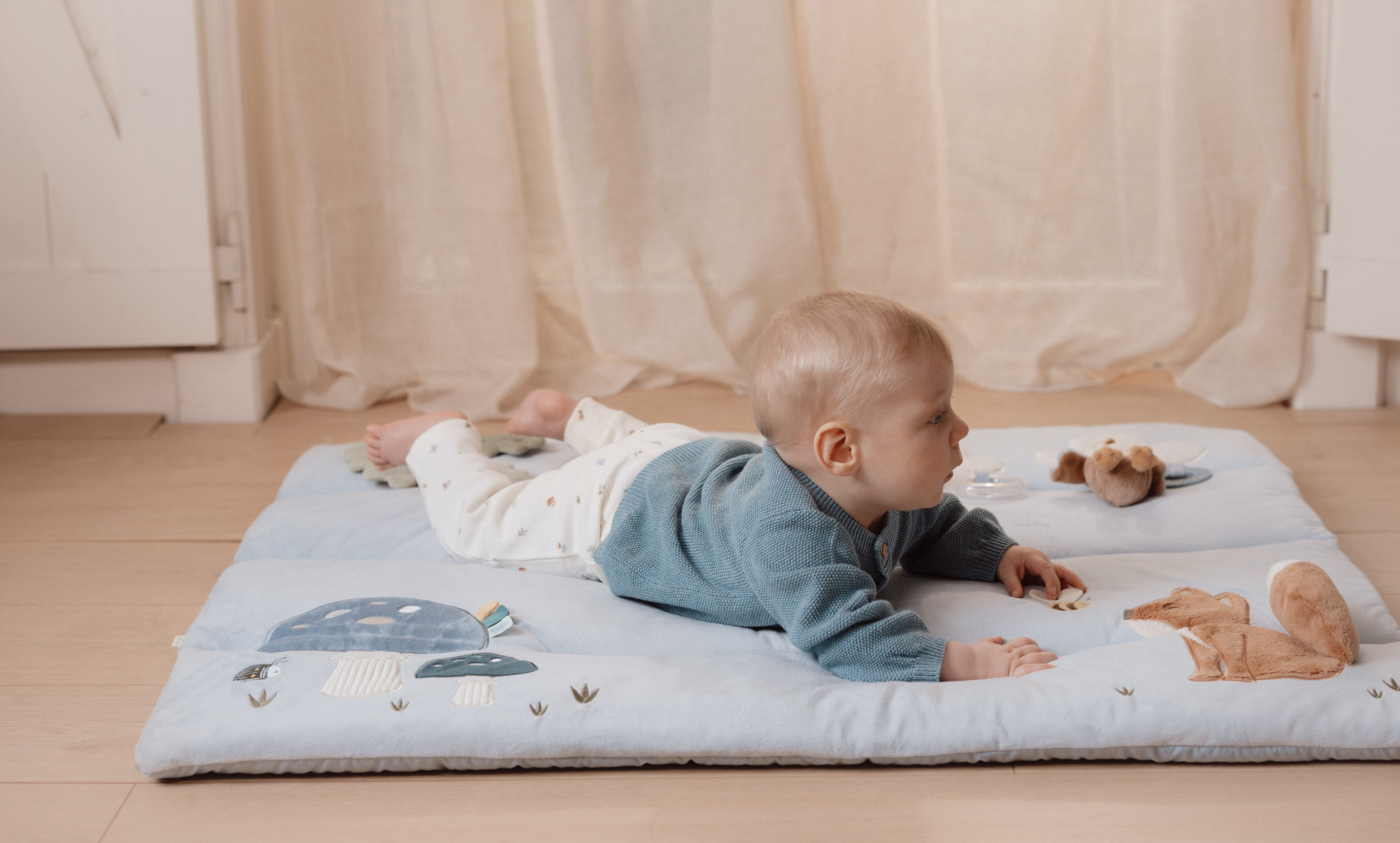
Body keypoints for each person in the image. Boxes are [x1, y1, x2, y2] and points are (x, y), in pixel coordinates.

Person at [364, 291, 1084, 682]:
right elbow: (847, 636)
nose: (962, 429)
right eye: (935, 418)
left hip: (690, 459)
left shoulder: (882, 491)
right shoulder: (789, 539)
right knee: (481, 525)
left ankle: (569, 417)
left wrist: (995, 552)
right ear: (840, 450)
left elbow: (936, 523)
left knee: (646, 449)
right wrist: (964, 661)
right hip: (621, 509)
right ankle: (439, 437)